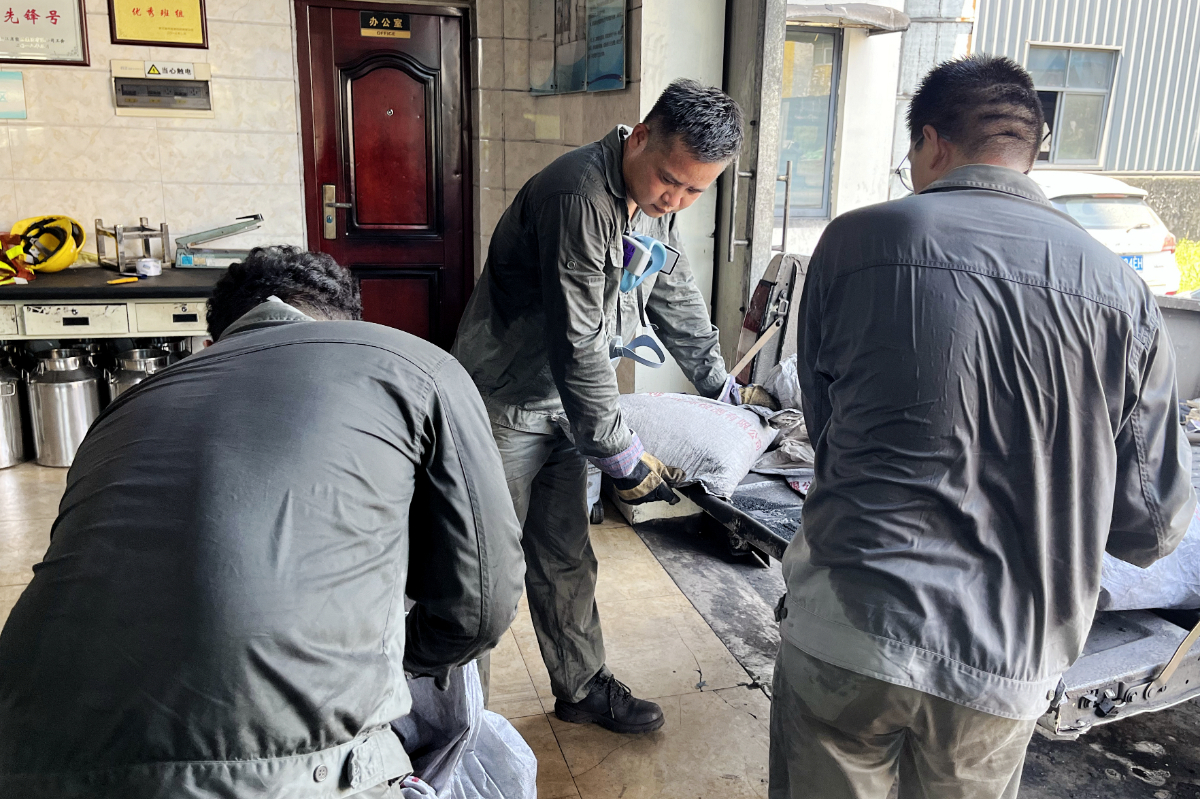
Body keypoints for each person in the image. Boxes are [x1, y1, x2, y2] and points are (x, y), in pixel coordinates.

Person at [771, 55, 1195, 799]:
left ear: (931, 142)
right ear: (1030, 151)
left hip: (849, 625)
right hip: (1005, 659)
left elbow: (828, 431)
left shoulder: (853, 244)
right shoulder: (1123, 294)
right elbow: (1149, 530)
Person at [0, 247, 527, 798]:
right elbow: (482, 606)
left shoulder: (124, 408)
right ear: (349, 326)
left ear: (216, 342)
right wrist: (391, 657)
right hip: (287, 776)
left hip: (25, 756)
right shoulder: (413, 362)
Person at [452, 79, 761, 733]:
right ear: (640, 137)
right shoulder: (578, 195)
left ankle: (581, 684)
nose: (674, 199)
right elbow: (579, 339)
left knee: (565, 552)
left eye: (694, 191)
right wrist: (619, 452)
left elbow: (672, 291)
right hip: (504, 402)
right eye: (670, 181)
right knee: (483, 570)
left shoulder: (653, 203)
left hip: (570, 406)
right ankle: (456, 723)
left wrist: (721, 388)